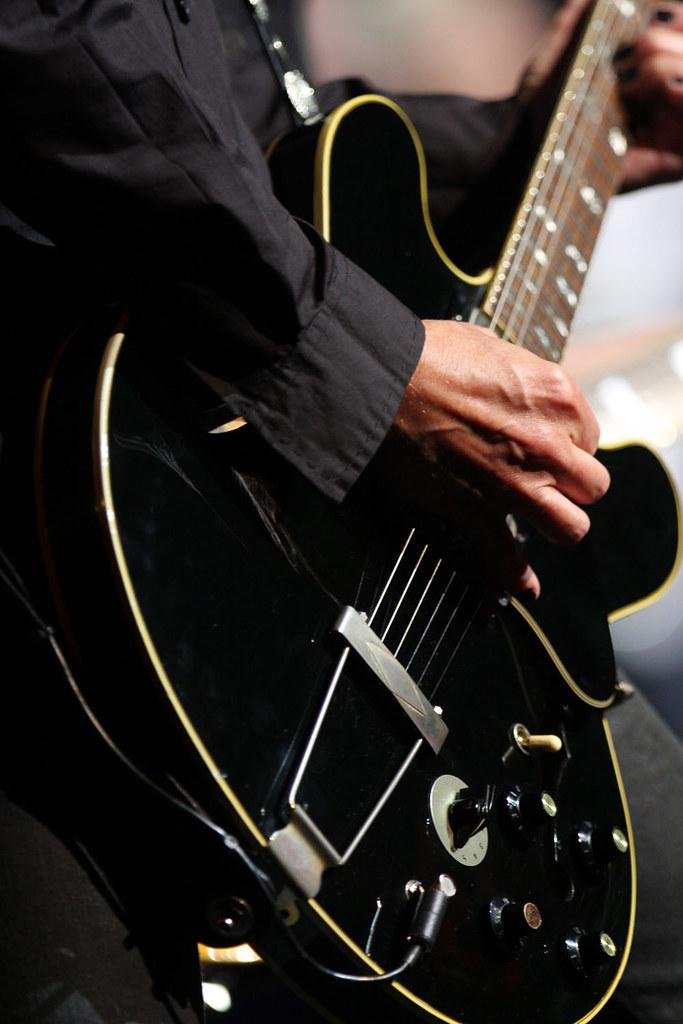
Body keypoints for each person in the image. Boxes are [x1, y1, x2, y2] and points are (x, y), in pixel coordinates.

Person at [0, 0, 681, 1021]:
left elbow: (249, 144)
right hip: (69, 540)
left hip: (318, 534)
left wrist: (526, 134)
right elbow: (43, 43)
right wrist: (371, 363)